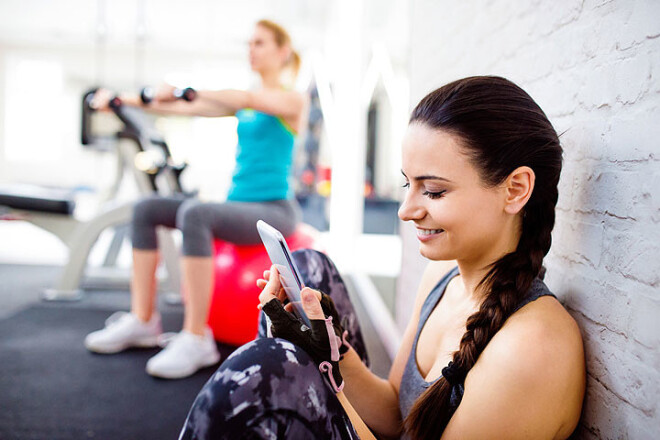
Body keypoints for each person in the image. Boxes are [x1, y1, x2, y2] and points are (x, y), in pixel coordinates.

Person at [178, 76, 586, 439]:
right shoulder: (441, 276)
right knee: (307, 269)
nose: (406, 210)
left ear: (515, 190)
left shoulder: (533, 347)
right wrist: (327, 347)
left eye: (434, 191)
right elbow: (395, 414)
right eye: (408, 184)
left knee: (262, 373)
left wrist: (323, 380)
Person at [84, 19, 307, 380]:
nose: (251, 49)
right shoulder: (244, 104)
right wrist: (122, 101)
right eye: (249, 43)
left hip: (273, 210)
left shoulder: (291, 99)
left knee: (196, 213)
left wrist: (186, 88)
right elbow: (184, 107)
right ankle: (143, 320)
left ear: (283, 52)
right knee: (146, 209)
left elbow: (243, 97)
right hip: (239, 204)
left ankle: (196, 336)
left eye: (260, 43)